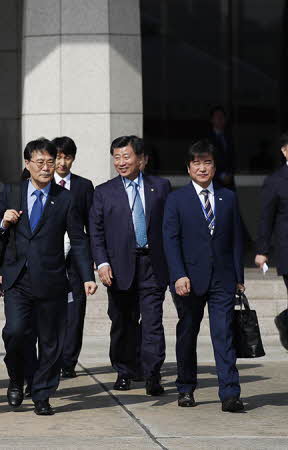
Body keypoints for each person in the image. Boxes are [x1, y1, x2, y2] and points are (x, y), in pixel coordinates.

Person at [0, 138, 96, 416]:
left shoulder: (65, 198)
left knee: (50, 341)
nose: (47, 168)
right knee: (15, 332)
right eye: (40, 162)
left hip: (51, 278)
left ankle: (42, 393)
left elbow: (79, 240)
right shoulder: (12, 191)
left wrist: (87, 275)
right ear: (27, 164)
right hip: (17, 278)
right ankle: (16, 378)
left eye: (50, 162)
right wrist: (4, 220)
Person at [162, 139, 245, 412]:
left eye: (207, 162)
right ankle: (186, 388)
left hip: (222, 278)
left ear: (214, 166)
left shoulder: (228, 197)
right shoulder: (176, 199)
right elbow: (170, 240)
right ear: (188, 168)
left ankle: (230, 393)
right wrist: (178, 275)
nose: (202, 168)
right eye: (197, 163)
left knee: (224, 334)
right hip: (189, 280)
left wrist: (239, 277)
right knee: (188, 333)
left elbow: (236, 241)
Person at [88, 136, 170, 395]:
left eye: (126, 156)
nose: (121, 162)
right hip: (119, 265)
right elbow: (96, 232)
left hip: (153, 264)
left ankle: (152, 372)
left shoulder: (162, 186)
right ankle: (124, 370)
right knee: (123, 321)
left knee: (153, 321)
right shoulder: (103, 192)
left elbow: (170, 227)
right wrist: (101, 263)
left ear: (142, 159)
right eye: (116, 157)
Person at [51, 136, 95, 379]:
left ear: (73, 158)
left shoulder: (83, 186)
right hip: (50, 256)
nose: (62, 162)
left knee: (75, 311)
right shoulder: (40, 182)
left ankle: (68, 361)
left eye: (67, 157)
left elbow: (91, 225)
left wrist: (93, 259)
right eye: (58, 156)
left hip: (76, 259)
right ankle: (51, 357)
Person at [255, 132, 288, 292]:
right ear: (284, 150)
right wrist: (262, 250)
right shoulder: (275, 182)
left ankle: (282, 318)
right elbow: (266, 218)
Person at [208, 106, 236, 190]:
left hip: (229, 183)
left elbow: (233, 158)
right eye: (217, 117)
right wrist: (221, 175)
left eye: (222, 117)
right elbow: (207, 160)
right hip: (213, 182)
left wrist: (230, 174)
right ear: (212, 120)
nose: (220, 119)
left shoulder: (229, 137)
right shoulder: (207, 139)